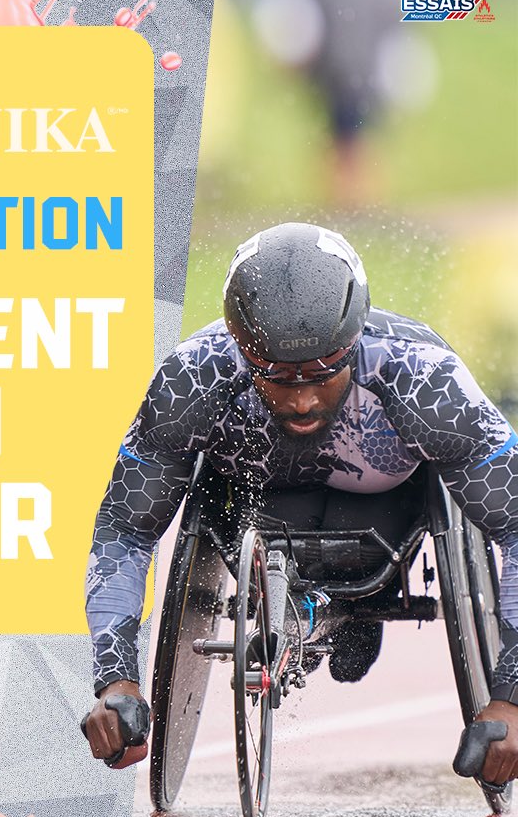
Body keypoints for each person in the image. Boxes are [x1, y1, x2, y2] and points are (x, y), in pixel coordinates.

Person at [83, 221, 518, 786]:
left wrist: (510, 695)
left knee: (355, 643)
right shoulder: (192, 378)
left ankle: (364, 607)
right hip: (253, 507)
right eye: (276, 374)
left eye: (322, 370)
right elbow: (126, 527)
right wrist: (115, 680)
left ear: (354, 340)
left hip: (385, 518)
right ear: (241, 347)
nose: (303, 398)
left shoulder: (424, 380)